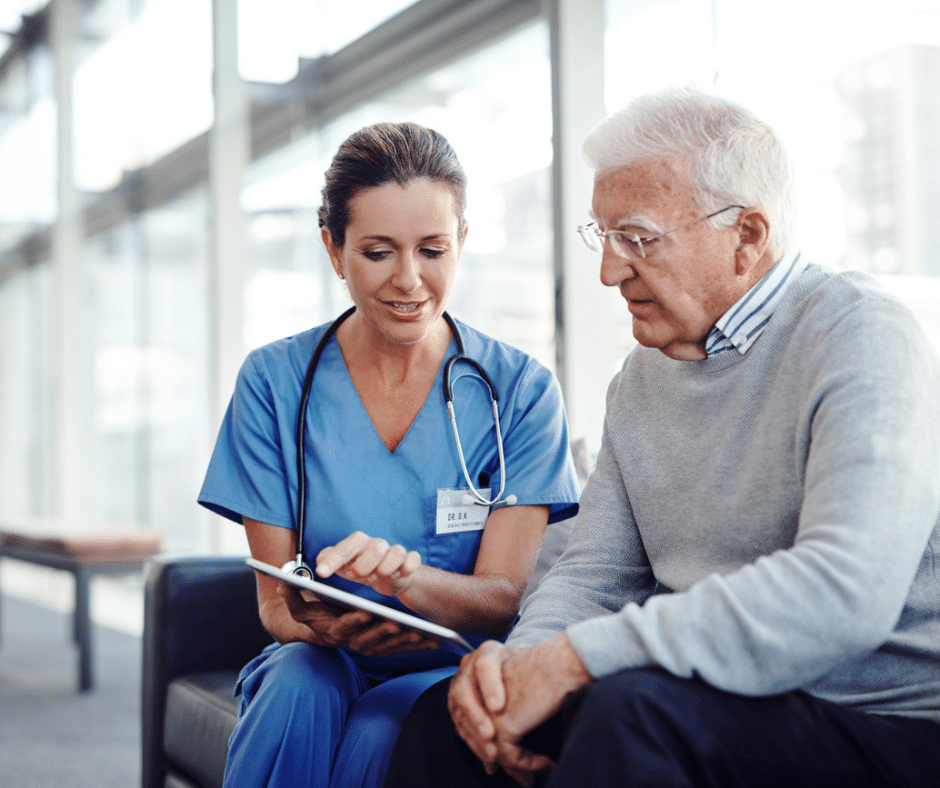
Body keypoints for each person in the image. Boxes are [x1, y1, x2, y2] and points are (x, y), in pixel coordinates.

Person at [383, 87, 940, 788]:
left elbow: (844, 591)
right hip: (709, 699)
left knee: (629, 713)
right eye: (603, 236)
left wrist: (577, 660)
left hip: (878, 719)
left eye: (637, 239)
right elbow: (594, 573)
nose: (609, 271)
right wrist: (519, 670)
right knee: (450, 716)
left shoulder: (861, 334)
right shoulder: (640, 380)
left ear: (747, 236)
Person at [197, 121, 580, 788]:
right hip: (319, 656)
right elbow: (275, 604)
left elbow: (501, 598)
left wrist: (405, 586)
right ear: (333, 247)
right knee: (296, 688)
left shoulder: (520, 391)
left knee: (381, 729)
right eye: (378, 252)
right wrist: (318, 622)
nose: (409, 281)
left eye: (432, 249)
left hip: (450, 661)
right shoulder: (274, 382)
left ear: (462, 241)